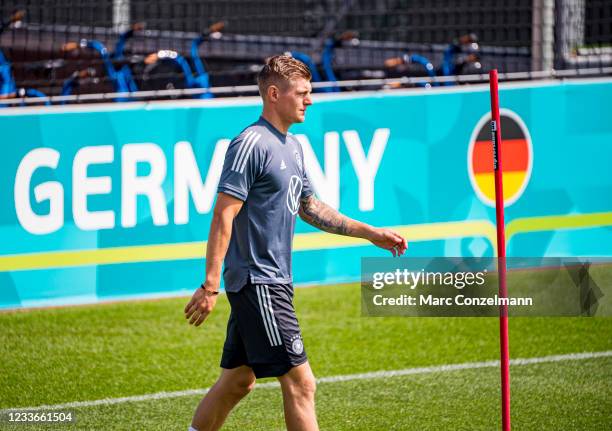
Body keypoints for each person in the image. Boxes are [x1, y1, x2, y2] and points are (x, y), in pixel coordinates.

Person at [184, 54, 407, 431]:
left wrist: (370, 233)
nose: (310, 99)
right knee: (302, 383)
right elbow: (224, 213)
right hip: (260, 283)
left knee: (238, 381)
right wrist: (210, 285)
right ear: (274, 94)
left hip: (272, 282)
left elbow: (309, 207)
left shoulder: (293, 146)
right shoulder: (250, 143)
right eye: (302, 92)